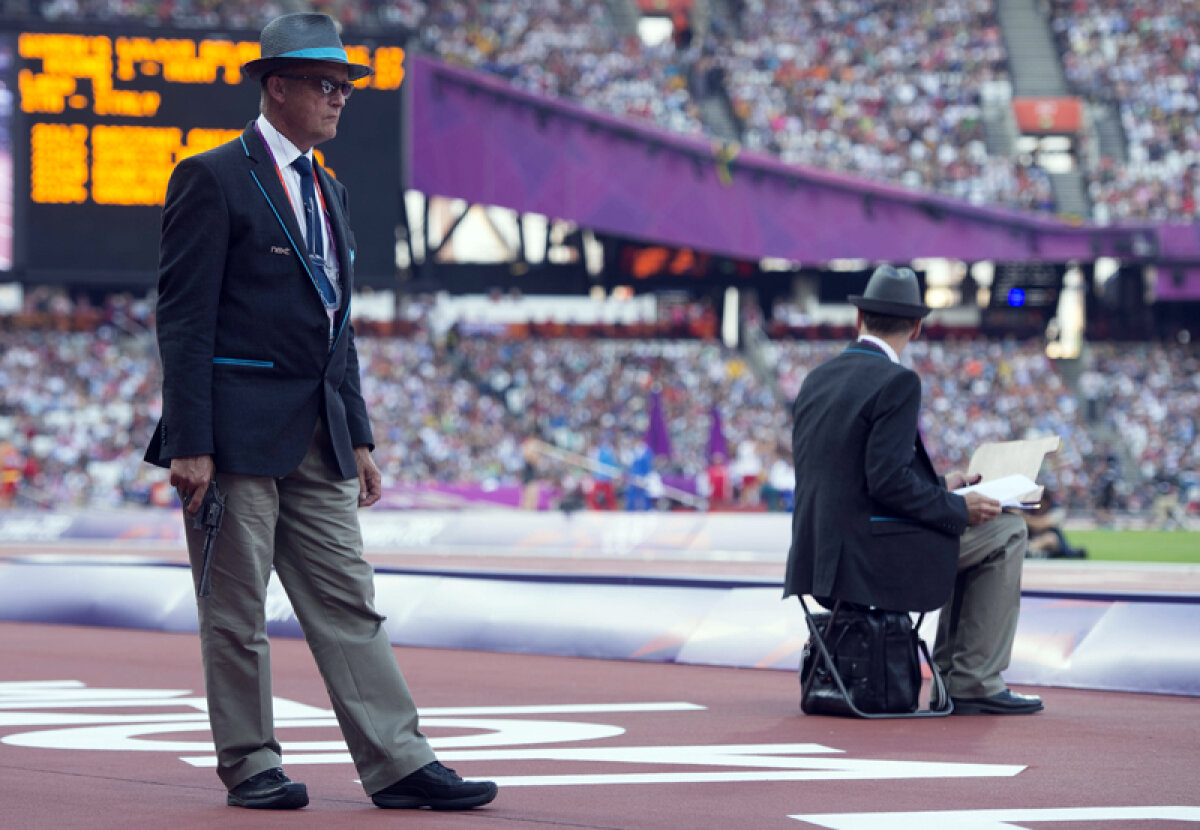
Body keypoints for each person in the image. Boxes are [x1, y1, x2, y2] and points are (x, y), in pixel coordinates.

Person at [143, 13, 498, 811]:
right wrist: (190, 441)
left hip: (320, 435)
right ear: (277, 87)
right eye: (325, 84)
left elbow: (336, 321)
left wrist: (361, 434)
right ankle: (251, 763)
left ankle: (399, 763)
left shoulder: (328, 186)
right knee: (235, 614)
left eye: (345, 86)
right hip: (231, 434)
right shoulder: (212, 175)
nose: (340, 98)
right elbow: (185, 317)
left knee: (350, 601)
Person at [784, 265, 1042, 716]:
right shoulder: (897, 381)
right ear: (918, 327)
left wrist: (943, 487)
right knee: (1005, 533)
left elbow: (853, 478)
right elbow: (886, 482)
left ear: (859, 318)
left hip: (816, 558)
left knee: (963, 524)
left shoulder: (817, 378)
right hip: (866, 560)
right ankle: (971, 680)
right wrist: (956, 507)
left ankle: (954, 672)